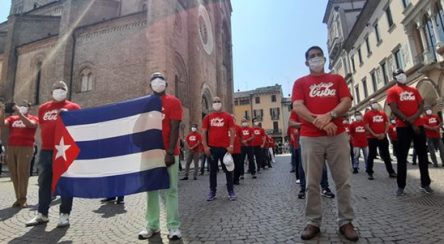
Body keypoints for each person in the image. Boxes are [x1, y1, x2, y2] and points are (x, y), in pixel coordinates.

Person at [293, 46, 358, 241]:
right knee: (312, 183)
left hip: (337, 135)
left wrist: (330, 115)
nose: (316, 58)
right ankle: (313, 222)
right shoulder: (300, 82)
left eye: (318, 55)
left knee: (343, 181)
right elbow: (297, 106)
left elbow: (346, 101)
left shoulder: (336, 79)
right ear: (306, 62)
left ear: (324, 58)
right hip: (310, 136)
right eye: (312, 56)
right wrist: (318, 121)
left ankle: (345, 222)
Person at [26, 81, 80, 228]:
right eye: (56, 88)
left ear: (67, 91)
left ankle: (64, 215)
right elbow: (44, 127)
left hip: (64, 151)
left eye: (62, 88)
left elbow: (78, 128)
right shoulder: (43, 108)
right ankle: (42, 214)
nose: (59, 90)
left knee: (66, 183)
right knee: (44, 183)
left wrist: (69, 117)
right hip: (46, 150)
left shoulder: (74, 107)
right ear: (52, 91)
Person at [138, 72, 182, 240]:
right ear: (150, 84)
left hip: (168, 152)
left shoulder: (173, 102)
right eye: (154, 78)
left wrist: (170, 152)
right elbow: (139, 127)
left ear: (166, 83)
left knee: (171, 189)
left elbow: (175, 126)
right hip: (150, 152)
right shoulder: (145, 104)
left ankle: (173, 226)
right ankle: (152, 225)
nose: (158, 80)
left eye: (161, 78)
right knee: (151, 190)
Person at [387, 69, 433, 196]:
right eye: (398, 74)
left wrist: (414, 119)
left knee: (423, 155)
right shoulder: (392, 91)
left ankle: (425, 183)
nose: (402, 75)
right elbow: (394, 109)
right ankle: (401, 186)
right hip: (403, 127)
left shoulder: (414, 90)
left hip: (418, 126)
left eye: (403, 73)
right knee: (402, 157)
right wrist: (410, 122)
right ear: (394, 77)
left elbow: (421, 105)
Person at [0, 100, 39, 208]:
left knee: (22, 172)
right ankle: (18, 198)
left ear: (29, 108)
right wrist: (2, 111)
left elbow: (30, 125)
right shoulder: (13, 118)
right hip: (12, 147)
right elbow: (2, 124)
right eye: (20, 105)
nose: (21, 107)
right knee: (14, 174)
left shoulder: (33, 118)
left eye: (24, 106)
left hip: (26, 147)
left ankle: (23, 199)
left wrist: (20, 114)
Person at [202, 96, 236, 201]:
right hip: (212, 149)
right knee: (212, 171)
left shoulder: (228, 117)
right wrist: (205, 146)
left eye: (218, 101)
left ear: (221, 103)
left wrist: (231, 145)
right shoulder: (207, 117)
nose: (216, 103)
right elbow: (203, 132)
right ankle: (212, 191)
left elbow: (232, 131)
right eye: (214, 101)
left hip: (225, 149)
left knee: (228, 170)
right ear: (212, 104)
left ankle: (231, 191)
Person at [364, 99, 397, 179]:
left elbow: (387, 124)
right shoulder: (367, 114)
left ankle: (391, 172)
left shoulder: (382, 113)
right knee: (371, 155)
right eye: (372, 103)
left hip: (382, 137)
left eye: (375, 102)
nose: (374, 104)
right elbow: (366, 126)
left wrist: (384, 133)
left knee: (386, 155)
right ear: (370, 105)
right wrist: (374, 134)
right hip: (372, 138)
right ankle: (369, 172)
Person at [231, 115, 243, 185]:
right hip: (228, 150)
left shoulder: (238, 128)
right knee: (228, 166)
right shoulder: (226, 128)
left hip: (237, 150)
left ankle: (236, 179)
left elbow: (241, 138)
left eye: (233, 119)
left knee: (237, 165)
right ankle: (230, 180)